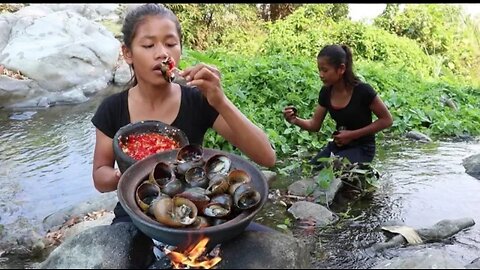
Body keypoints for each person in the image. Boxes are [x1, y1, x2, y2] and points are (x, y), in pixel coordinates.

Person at [91, 4, 276, 229]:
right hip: (135, 214)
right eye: (148, 45)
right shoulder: (112, 108)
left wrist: (220, 100)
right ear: (127, 53)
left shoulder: (197, 101)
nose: (162, 53)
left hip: (191, 210)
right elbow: (100, 177)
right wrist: (131, 177)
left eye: (170, 44)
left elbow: (267, 157)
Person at [283, 44, 393, 168]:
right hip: (338, 147)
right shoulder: (326, 92)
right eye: (319, 70)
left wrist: (351, 135)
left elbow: (387, 120)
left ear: (341, 69)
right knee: (311, 169)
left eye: (325, 70)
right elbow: (314, 125)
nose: (321, 75)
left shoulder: (363, 91)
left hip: (363, 149)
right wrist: (294, 120)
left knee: (331, 169)